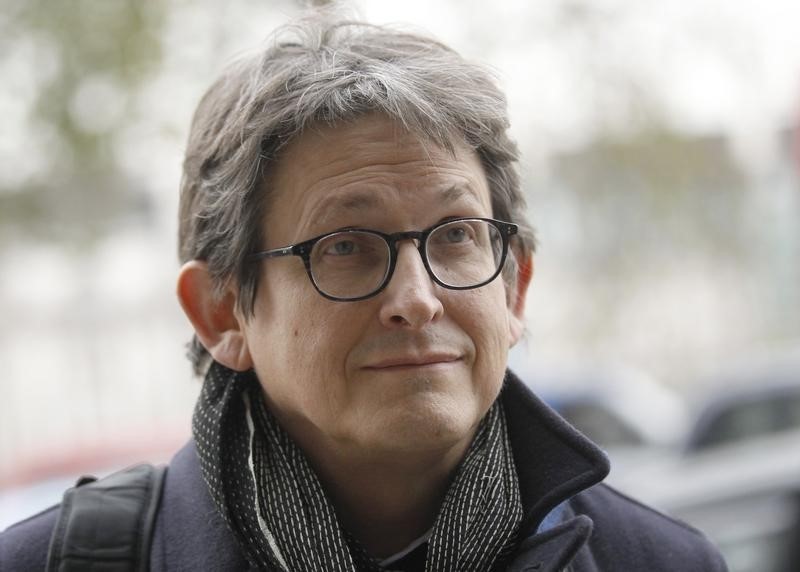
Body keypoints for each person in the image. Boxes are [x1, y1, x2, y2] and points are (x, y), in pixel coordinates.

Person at [0, 12, 728, 572]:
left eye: (455, 235)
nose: (417, 298)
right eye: (344, 247)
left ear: (515, 286)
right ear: (222, 311)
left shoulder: (658, 560)